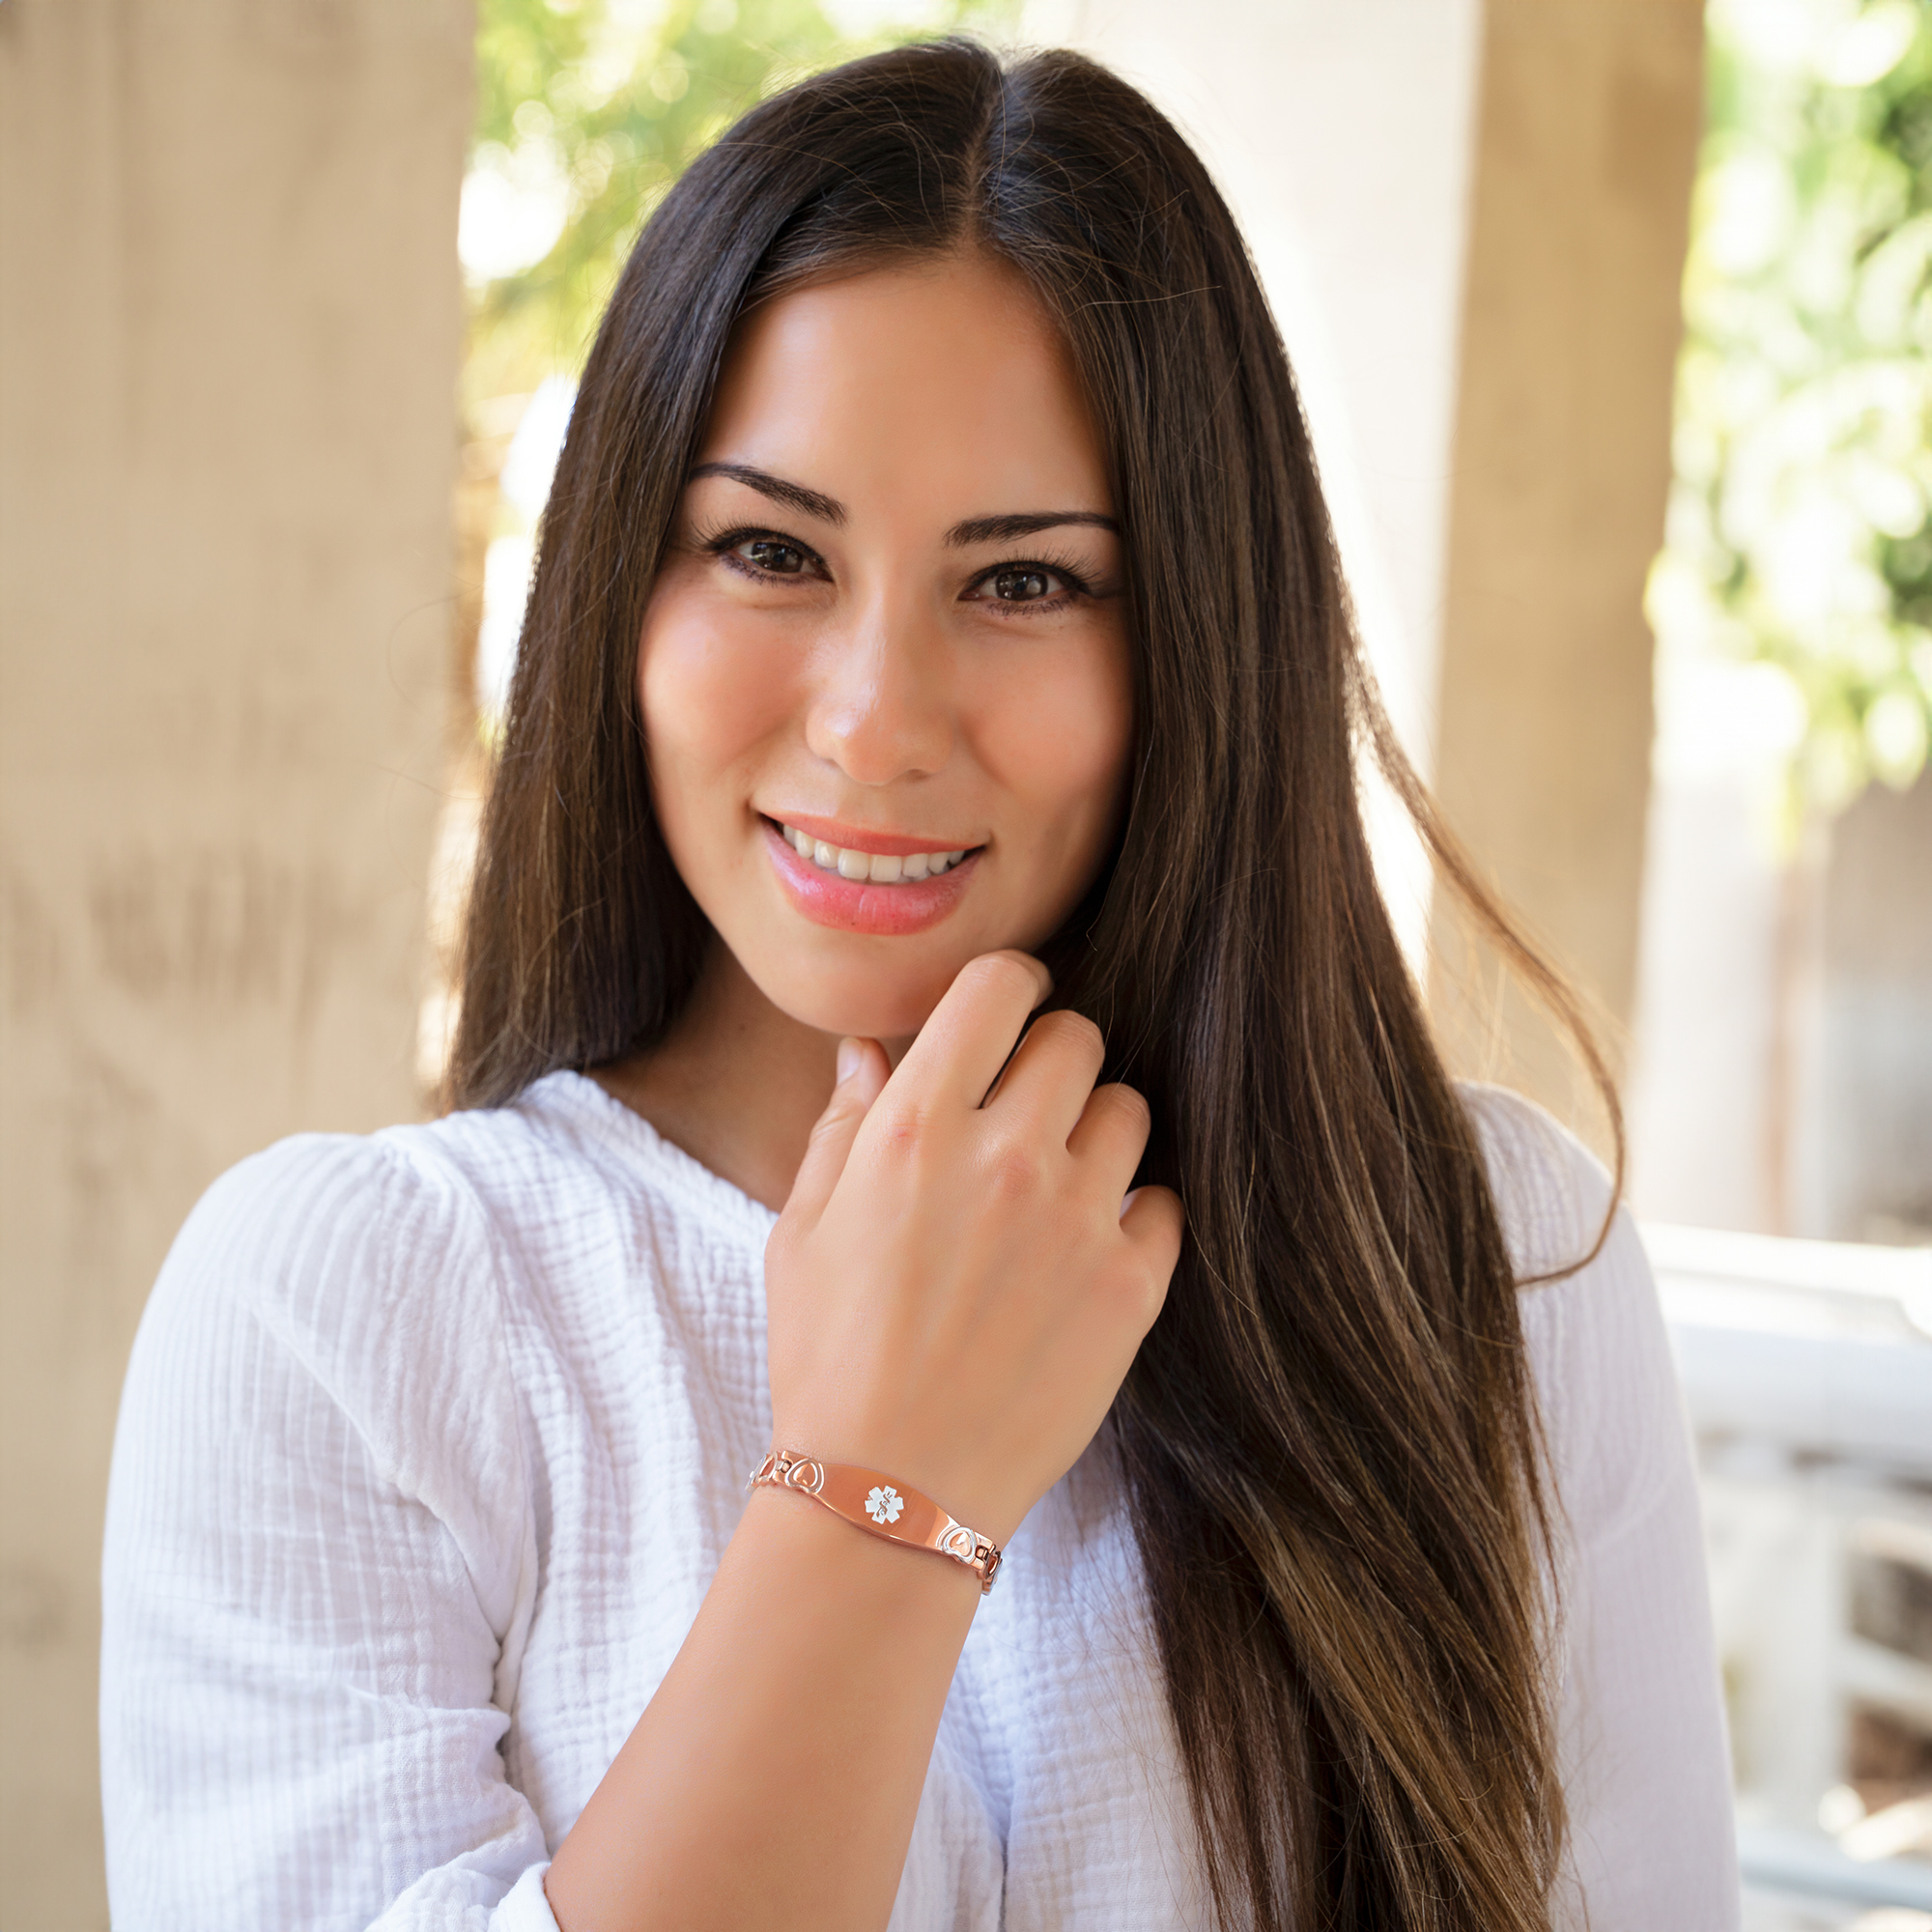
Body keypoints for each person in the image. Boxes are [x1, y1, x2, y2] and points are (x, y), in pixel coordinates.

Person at [99, 38, 1740, 1932]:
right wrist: (879, 1486)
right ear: (623, 596)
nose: (874, 722)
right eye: (768, 550)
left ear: (1203, 635)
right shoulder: (353, 1313)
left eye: (1026, 580)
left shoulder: (1482, 1254)